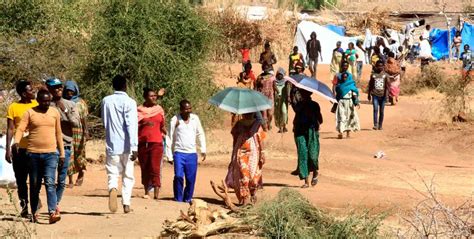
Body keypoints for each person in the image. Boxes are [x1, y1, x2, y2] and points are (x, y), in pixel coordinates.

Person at [14, 89, 64, 224]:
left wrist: (62, 154)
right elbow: (20, 129)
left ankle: (52, 212)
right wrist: (16, 142)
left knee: (49, 182)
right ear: (38, 100)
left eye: (48, 101)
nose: (46, 103)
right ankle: (35, 211)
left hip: (51, 154)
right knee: (35, 184)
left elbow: (58, 134)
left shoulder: (54, 112)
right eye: (43, 101)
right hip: (33, 154)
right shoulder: (30, 113)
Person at [101, 75, 138, 214]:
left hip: (112, 143)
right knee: (128, 174)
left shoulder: (106, 101)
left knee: (112, 172)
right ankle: (126, 203)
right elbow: (131, 125)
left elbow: (105, 122)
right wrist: (135, 147)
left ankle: (112, 188)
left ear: (113, 86)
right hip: (127, 145)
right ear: (125, 86)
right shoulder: (130, 102)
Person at [46, 78, 80, 212]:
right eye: (55, 88)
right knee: (49, 180)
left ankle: (56, 203)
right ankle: (52, 208)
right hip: (49, 146)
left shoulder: (71, 105)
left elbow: (76, 123)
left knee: (61, 179)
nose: (58, 90)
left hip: (65, 146)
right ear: (49, 90)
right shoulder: (46, 105)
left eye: (60, 87)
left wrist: (64, 111)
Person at [5, 80, 38, 218]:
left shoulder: (37, 105)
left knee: (35, 180)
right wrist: (8, 148)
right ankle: (24, 207)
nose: (33, 92)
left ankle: (35, 208)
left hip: (35, 148)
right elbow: (11, 128)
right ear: (24, 93)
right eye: (31, 90)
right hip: (19, 149)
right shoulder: (13, 107)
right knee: (21, 180)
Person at [169, 100, 206, 203]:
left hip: (191, 154)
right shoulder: (175, 120)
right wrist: (169, 155)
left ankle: (187, 198)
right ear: (181, 110)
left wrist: (203, 149)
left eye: (190, 108)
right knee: (178, 176)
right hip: (179, 153)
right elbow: (169, 137)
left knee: (190, 179)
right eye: (186, 109)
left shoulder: (195, 119)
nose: (188, 111)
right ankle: (178, 198)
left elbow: (200, 133)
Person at [225, 112, 265, 205]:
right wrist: (234, 153)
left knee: (254, 176)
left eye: (250, 113)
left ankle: (252, 193)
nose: (248, 115)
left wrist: (263, 153)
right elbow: (235, 138)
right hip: (241, 152)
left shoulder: (257, 125)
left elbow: (261, 139)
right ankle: (245, 198)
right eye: (246, 114)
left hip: (254, 153)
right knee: (244, 176)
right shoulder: (239, 124)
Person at [137, 88, 166, 200]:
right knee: (145, 168)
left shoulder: (159, 109)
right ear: (145, 97)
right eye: (151, 96)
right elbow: (134, 126)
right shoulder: (139, 110)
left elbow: (162, 125)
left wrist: (167, 134)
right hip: (143, 143)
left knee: (155, 168)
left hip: (156, 143)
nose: (154, 98)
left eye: (155, 96)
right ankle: (146, 192)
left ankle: (156, 194)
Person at [293, 89, 322, 188]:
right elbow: (296, 111)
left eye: (305, 94)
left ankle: (315, 172)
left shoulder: (315, 105)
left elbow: (320, 119)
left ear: (309, 94)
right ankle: (306, 181)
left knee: (313, 155)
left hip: (312, 131)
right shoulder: (298, 105)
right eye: (302, 94)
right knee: (302, 155)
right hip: (299, 131)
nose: (303, 95)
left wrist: (313, 117)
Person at [62, 81, 88, 188]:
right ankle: (70, 180)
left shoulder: (81, 103)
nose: (69, 93)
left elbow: (84, 119)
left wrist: (86, 131)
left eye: (71, 91)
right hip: (66, 131)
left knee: (79, 153)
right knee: (69, 154)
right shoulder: (62, 102)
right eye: (67, 91)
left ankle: (81, 173)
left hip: (79, 131)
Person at [335, 69, 360, 139]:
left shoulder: (351, 86)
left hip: (349, 103)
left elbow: (354, 95)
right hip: (341, 103)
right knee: (342, 117)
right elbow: (337, 95)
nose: (344, 78)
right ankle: (341, 132)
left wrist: (356, 102)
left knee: (349, 117)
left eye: (346, 77)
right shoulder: (339, 86)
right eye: (343, 77)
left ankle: (348, 132)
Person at [368, 60, 390, 130]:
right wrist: (369, 94)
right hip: (375, 95)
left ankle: (380, 125)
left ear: (383, 66)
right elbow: (370, 85)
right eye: (378, 66)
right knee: (375, 109)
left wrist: (386, 96)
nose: (380, 67)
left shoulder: (386, 75)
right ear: (376, 66)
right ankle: (375, 124)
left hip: (383, 95)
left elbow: (387, 86)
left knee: (382, 111)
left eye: (381, 66)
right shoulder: (373, 75)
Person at [273, 68, 290, 133]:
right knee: (278, 113)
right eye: (279, 74)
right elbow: (275, 87)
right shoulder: (274, 81)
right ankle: (280, 127)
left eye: (281, 74)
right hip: (277, 99)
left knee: (284, 112)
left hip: (284, 99)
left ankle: (284, 125)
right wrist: (277, 91)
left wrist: (288, 97)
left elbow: (288, 89)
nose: (280, 76)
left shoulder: (286, 82)